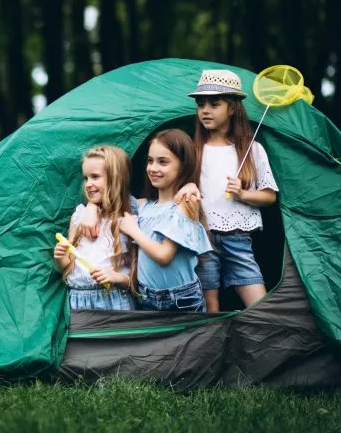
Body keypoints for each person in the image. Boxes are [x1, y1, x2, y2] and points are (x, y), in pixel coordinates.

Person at [178, 69, 278, 312]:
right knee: (209, 305)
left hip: (238, 238)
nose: (205, 110)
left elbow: (270, 196)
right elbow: (176, 193)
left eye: (215, 104)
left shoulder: (252, 150)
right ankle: (214, 348)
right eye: (201, 104)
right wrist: (188, 185)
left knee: (259, 304)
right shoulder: (193, 149)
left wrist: (243, 195)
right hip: (202, 238)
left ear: (232, 109)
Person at [119, 129, 213, 312]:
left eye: (163, 162)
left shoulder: (186, 203)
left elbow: (164, 255)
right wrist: (90, 208)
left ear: (183, 166)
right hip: (146, 297)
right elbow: (110, 199)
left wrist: (134, 232)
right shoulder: (143, 205)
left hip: (180, 300)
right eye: (150, 161)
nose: (153, 168)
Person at [53, 146, 136, 310]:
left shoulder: (129, 220)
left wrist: (116, 277)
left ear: (115, 178)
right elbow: (70, 266)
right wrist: (61, 256)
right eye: (86, 178)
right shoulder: (80, 216)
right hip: (78, 299)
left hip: (114, 298)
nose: (88, 184)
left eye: (95, 177)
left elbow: (136, 278)